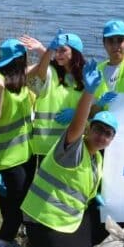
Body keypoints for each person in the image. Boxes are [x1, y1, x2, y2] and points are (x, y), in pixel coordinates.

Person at [21, 59, 112, 247]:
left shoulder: (96, 160)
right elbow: (77, 125)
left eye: (108, 134)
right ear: (89, 129)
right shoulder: (73, 147)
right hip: (42, 217)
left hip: (66, 217)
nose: (102, 136)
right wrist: (88, 94)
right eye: (98, 129)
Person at [0, 34, 37, 247]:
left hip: (24, 152)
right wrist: (1, 90)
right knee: (17, 202)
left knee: (14, 201)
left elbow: (40, 69)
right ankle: (2, 242)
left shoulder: (20, 79)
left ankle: (10, 238)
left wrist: (44, 50)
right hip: (4, 156)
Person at [26, 31, 86, 162]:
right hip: (46, 144)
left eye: (63, 50)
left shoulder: (86, 78)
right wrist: (48, 50)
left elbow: (91, 107)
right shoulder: (51, 73)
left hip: (72, 143)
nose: (58, 54)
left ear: (75, 53)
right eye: (56, 51)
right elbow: (42, 70)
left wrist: (77, 113)